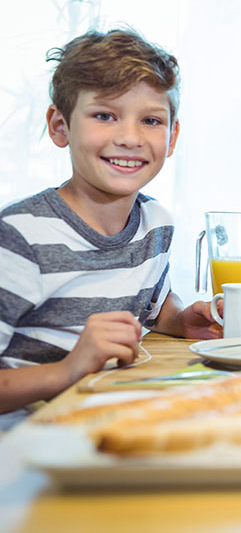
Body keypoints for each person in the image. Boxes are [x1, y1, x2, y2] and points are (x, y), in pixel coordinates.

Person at [0, 29, 222, 427]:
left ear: (172, 137)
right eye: (105, 115)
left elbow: (152, 308)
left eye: (151, 120)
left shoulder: (156, 224)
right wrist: (67, 371)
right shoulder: (20, 238)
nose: (129, 138)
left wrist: (181, 319)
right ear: (60, 126)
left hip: (102, 426)